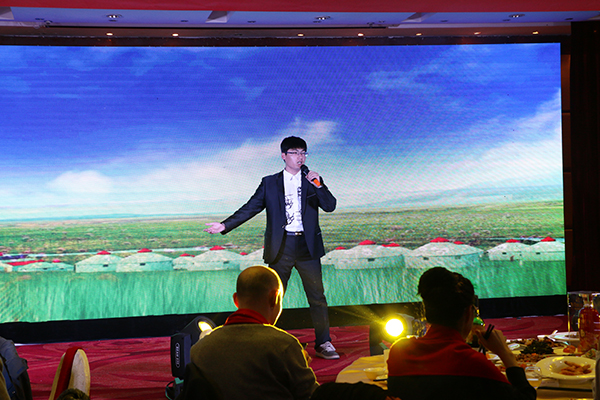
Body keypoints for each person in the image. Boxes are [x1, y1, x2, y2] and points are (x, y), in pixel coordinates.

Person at [204, 136, 339, 359]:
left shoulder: (312, 180)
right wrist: (225, 225)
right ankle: (266, 341)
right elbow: (251, 207)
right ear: (284, 156)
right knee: (271, 297)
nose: (300, 157)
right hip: (281, 246)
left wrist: (319, 184)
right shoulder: (269, 182)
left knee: (317, 297)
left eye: (303, 152)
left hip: (307, 247)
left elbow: (330, 206)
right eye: (294, 152)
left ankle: (324, 342)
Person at [386, 267, 536, 400]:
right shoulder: (473, 363)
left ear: (426, 311)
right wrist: (505, 353)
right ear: (468, 313)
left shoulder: (399, 352)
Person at [190, 265, 319, 400]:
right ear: (274, 298)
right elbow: (313, 396)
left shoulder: (199, 350)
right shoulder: (284, 346)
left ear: (236, 300)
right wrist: (298, 364)